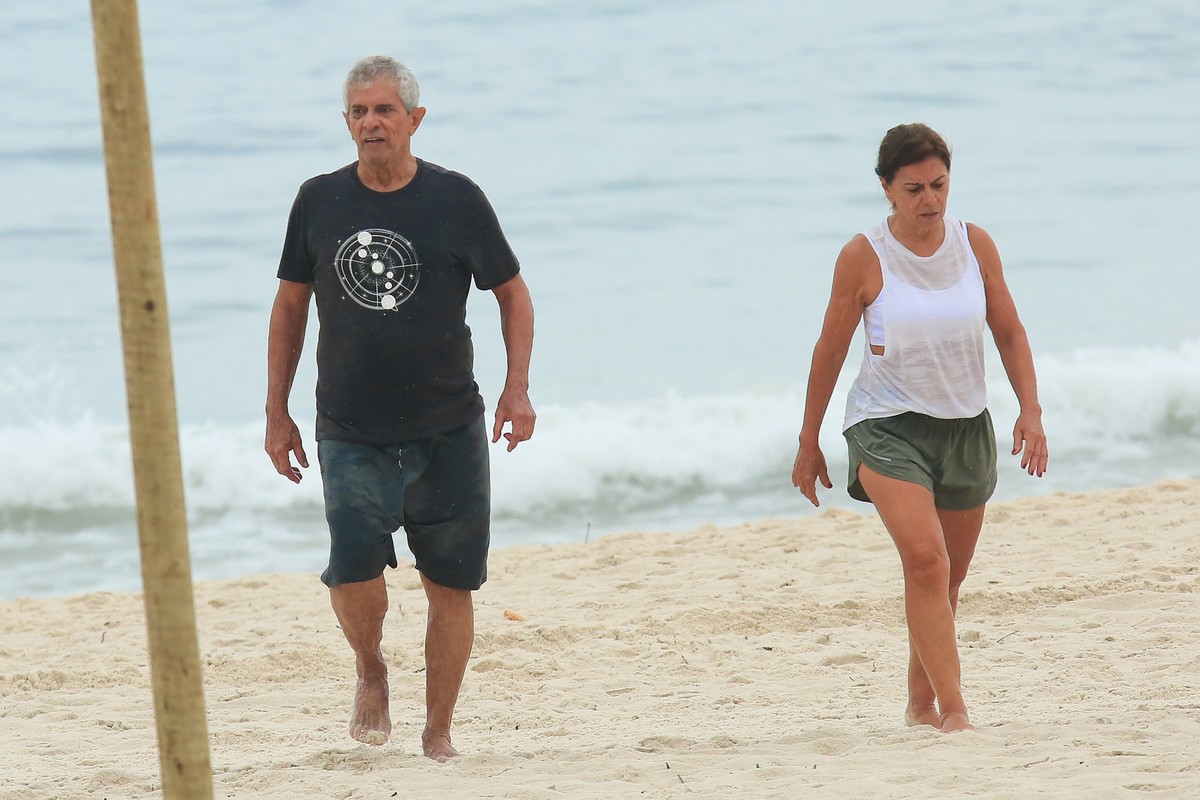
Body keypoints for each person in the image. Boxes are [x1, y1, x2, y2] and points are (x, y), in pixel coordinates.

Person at [264, 55, 535, 761]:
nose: (370, 123)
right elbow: (290, 305)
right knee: (352, 566)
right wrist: (276, 411)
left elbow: (512, 292)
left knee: (451, 583)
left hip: (448, 425)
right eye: (358, 112)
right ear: (346, 123)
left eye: (384, 110)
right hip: (351, 427)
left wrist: (517, 388)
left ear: (414, 119)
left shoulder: (456, 199)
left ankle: (439, 729)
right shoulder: (319, 200)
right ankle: (371, 668)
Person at [790, 123, 1047, 733]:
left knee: (945, 582)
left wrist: (1029, 411)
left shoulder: (974, 244)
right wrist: (808, 441)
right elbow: (828, 350)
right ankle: (956, 712)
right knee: (927, 563)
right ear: (886, 190)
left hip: (964, 427)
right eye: (913, 189)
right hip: (885, 425)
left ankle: (921, 703)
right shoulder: (864, 255)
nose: (929, 200)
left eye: (938, 184)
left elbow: (1009, 331)